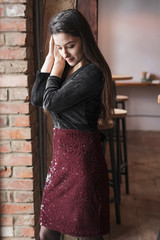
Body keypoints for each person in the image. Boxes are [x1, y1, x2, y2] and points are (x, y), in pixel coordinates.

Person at [31, 9, 113, 240]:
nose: (64, 53)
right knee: (47, 231)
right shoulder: (66, 67)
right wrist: (49, 60)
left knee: (86, 232)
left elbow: (49, 102)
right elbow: (37, 98)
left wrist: (56, 68)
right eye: (58, 47)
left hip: (82, 162)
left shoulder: (92, 72)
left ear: (83, 40)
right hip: (61, 161)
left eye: (70, 45)